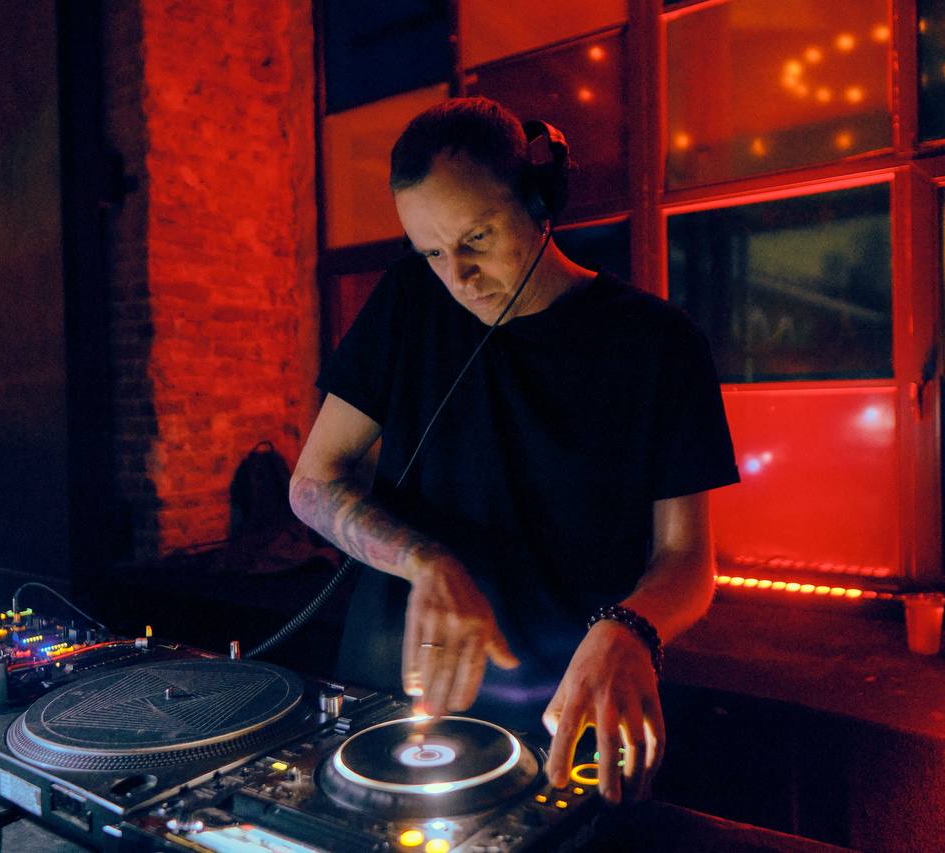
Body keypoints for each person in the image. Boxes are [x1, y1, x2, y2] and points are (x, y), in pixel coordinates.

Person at [289, 97, 738, 805]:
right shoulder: (409, 300)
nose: (458, 277)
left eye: (477, 237)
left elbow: (686, 560)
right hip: (395, 699)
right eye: (432, 252)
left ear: (540, 202)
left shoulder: (660, 344)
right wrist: (425, 560)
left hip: (564, 710)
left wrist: (632, 626)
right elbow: (313, 482)